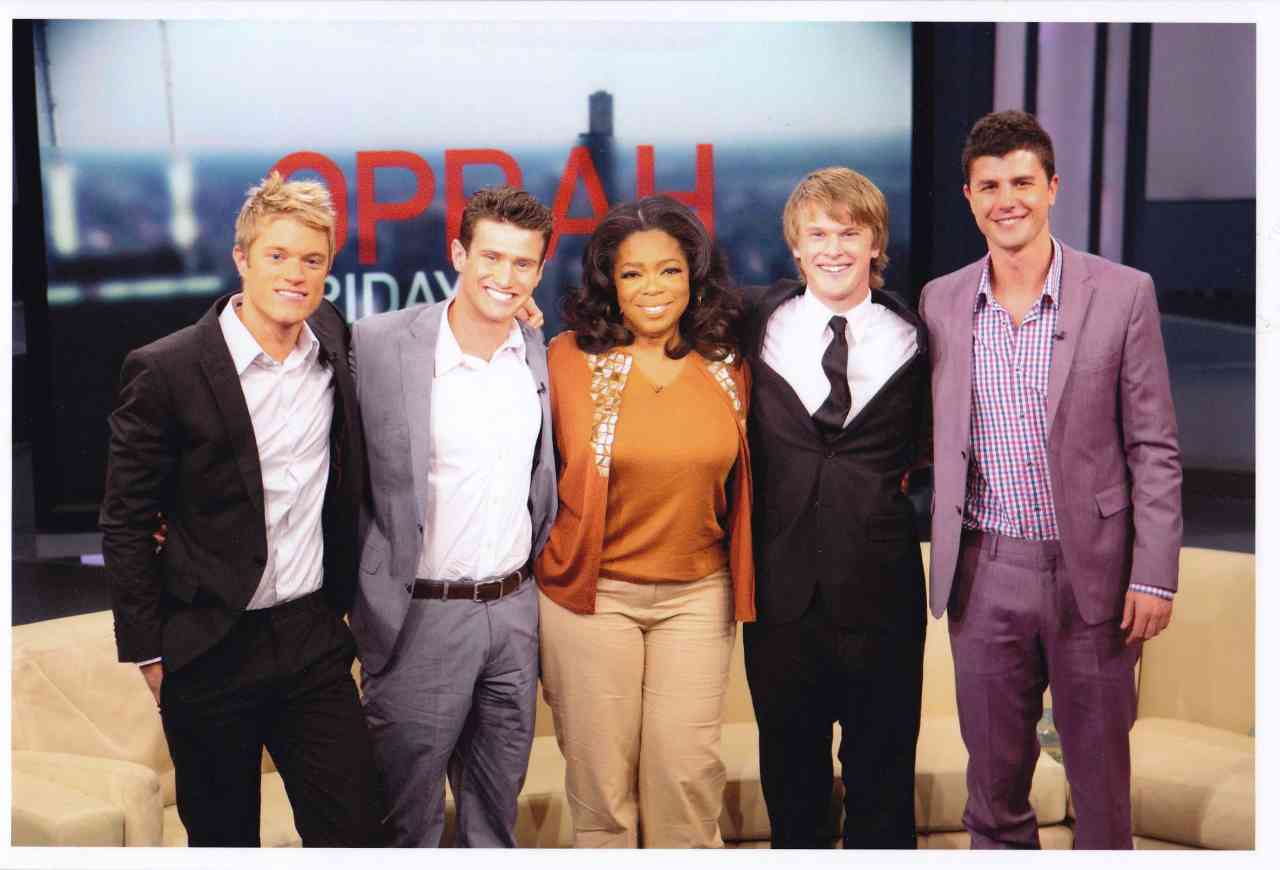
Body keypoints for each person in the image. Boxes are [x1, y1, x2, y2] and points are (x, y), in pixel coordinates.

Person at [919, 110, 1182, 849]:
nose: (1008, 200)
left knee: (1100, 790)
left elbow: (1155, 447)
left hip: (1094, 574)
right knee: (993, 791)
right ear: (969, 197)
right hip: (983, 570)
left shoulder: (1123, 292)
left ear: (1053, 188)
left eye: (1023, 182)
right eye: (990, 186)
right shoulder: (940, 301)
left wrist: (1154, 574)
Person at [99, 171, 386, 846]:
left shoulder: (332, 339)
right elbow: (126, 519)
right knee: (224, 840)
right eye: (276, 255)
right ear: (242, 259)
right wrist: (150, 652)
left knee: (358, 832)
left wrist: (514, 315)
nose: (295, 274)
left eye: (312, 260)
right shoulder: (166, 369)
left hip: (312, 636)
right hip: (209, 645)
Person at [534, 195, 755, 848]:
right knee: (603, 796)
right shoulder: (564, 359)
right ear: (609, 283)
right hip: (592, 599)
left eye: (669, 270)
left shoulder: (730, 366)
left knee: (685, 781)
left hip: (697, 596)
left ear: (695, 277)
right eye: (632, 273)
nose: (652, 288)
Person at [348, 186, 557, 847]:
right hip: (419, 616)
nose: (505, 277)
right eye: (490, 257)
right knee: (405, 823)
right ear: (459, 254)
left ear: (539, 272)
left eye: (522, 263)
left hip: (515, 613)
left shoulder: (539, 351)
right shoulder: (378, 344)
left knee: (495, 815)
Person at [739, 168, 930, 848]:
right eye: (817, 234)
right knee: (793, 790)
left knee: (884, 786)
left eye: (850, 233)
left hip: (883, 596)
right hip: (781, 598)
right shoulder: (752, 321)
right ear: (795, 246)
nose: (833, 249)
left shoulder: (919, 334)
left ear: (876, 243)